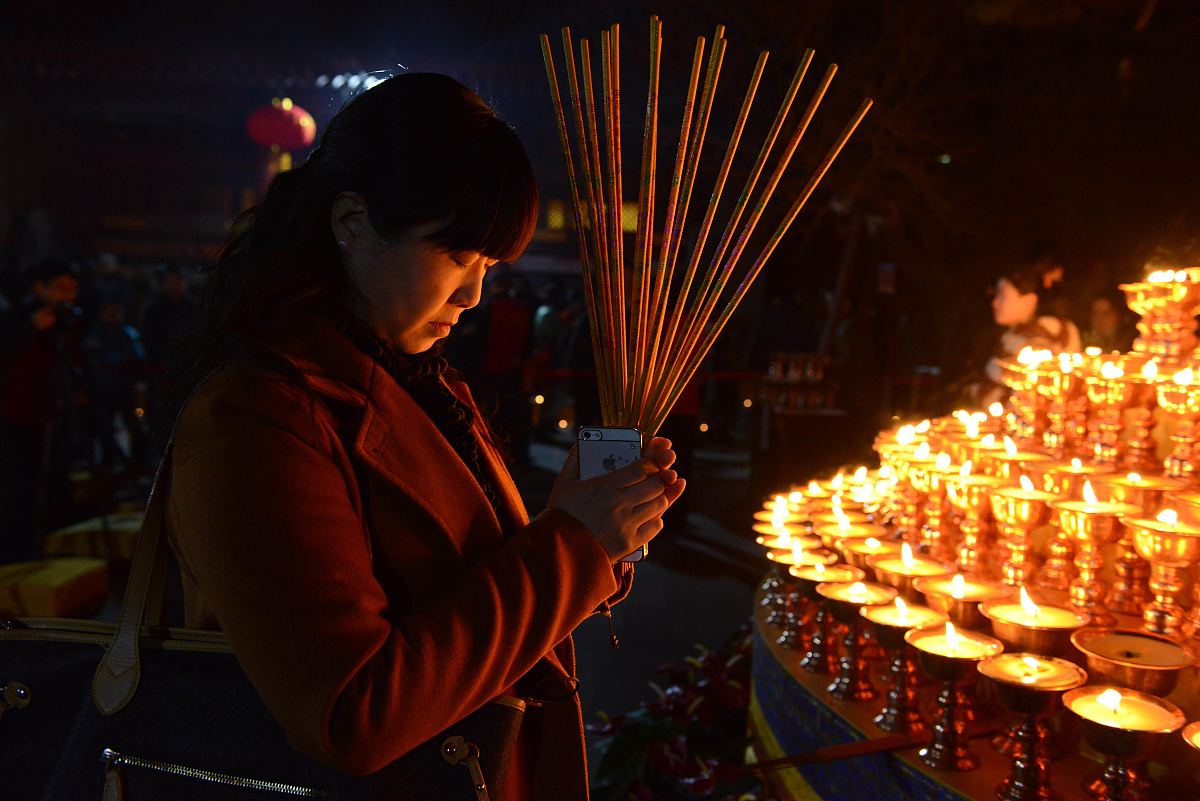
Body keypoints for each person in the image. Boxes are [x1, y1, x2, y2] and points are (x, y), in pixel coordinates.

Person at [158, 73, 684, 799]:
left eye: (489, 266)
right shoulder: (257, 417)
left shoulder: (422, 381)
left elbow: (481, 585)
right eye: (457, 256)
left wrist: (600, 528)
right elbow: (351, 714)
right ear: (351, 221)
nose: (473, 295)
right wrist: (572, 544)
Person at [0, 258, 85, 561]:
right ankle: (19, 552)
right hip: (18, 417)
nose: (68, 296)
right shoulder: (15, 317)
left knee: (56, 482)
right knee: (19, 486)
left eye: (71, 289)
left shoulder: (67, 321)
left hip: (54, 414)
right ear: (40, 288)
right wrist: (30, 329)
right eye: (61, 289)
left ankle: (53, 543)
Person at [980, 259, 1081, 403]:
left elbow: (1032, 399)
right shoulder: (1014, 334)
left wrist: (982, 393)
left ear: (1029, 300)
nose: (995, 302)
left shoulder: (1046, 331)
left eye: (1003, 295)